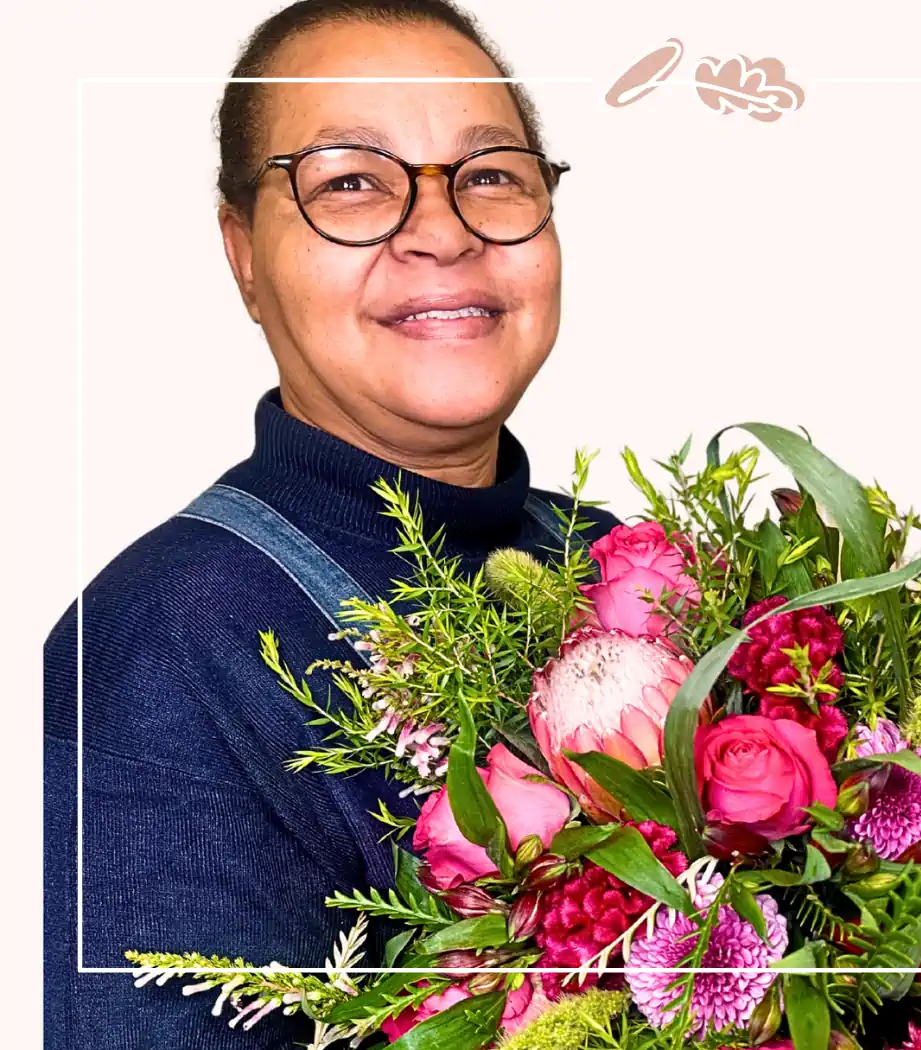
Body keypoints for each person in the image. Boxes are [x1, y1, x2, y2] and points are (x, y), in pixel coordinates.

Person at [42, 2, 619, 1046]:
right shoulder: (152, 660)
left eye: (490, 175)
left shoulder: (631, 572)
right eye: (350, 182)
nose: (443, 231)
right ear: (244, 255)